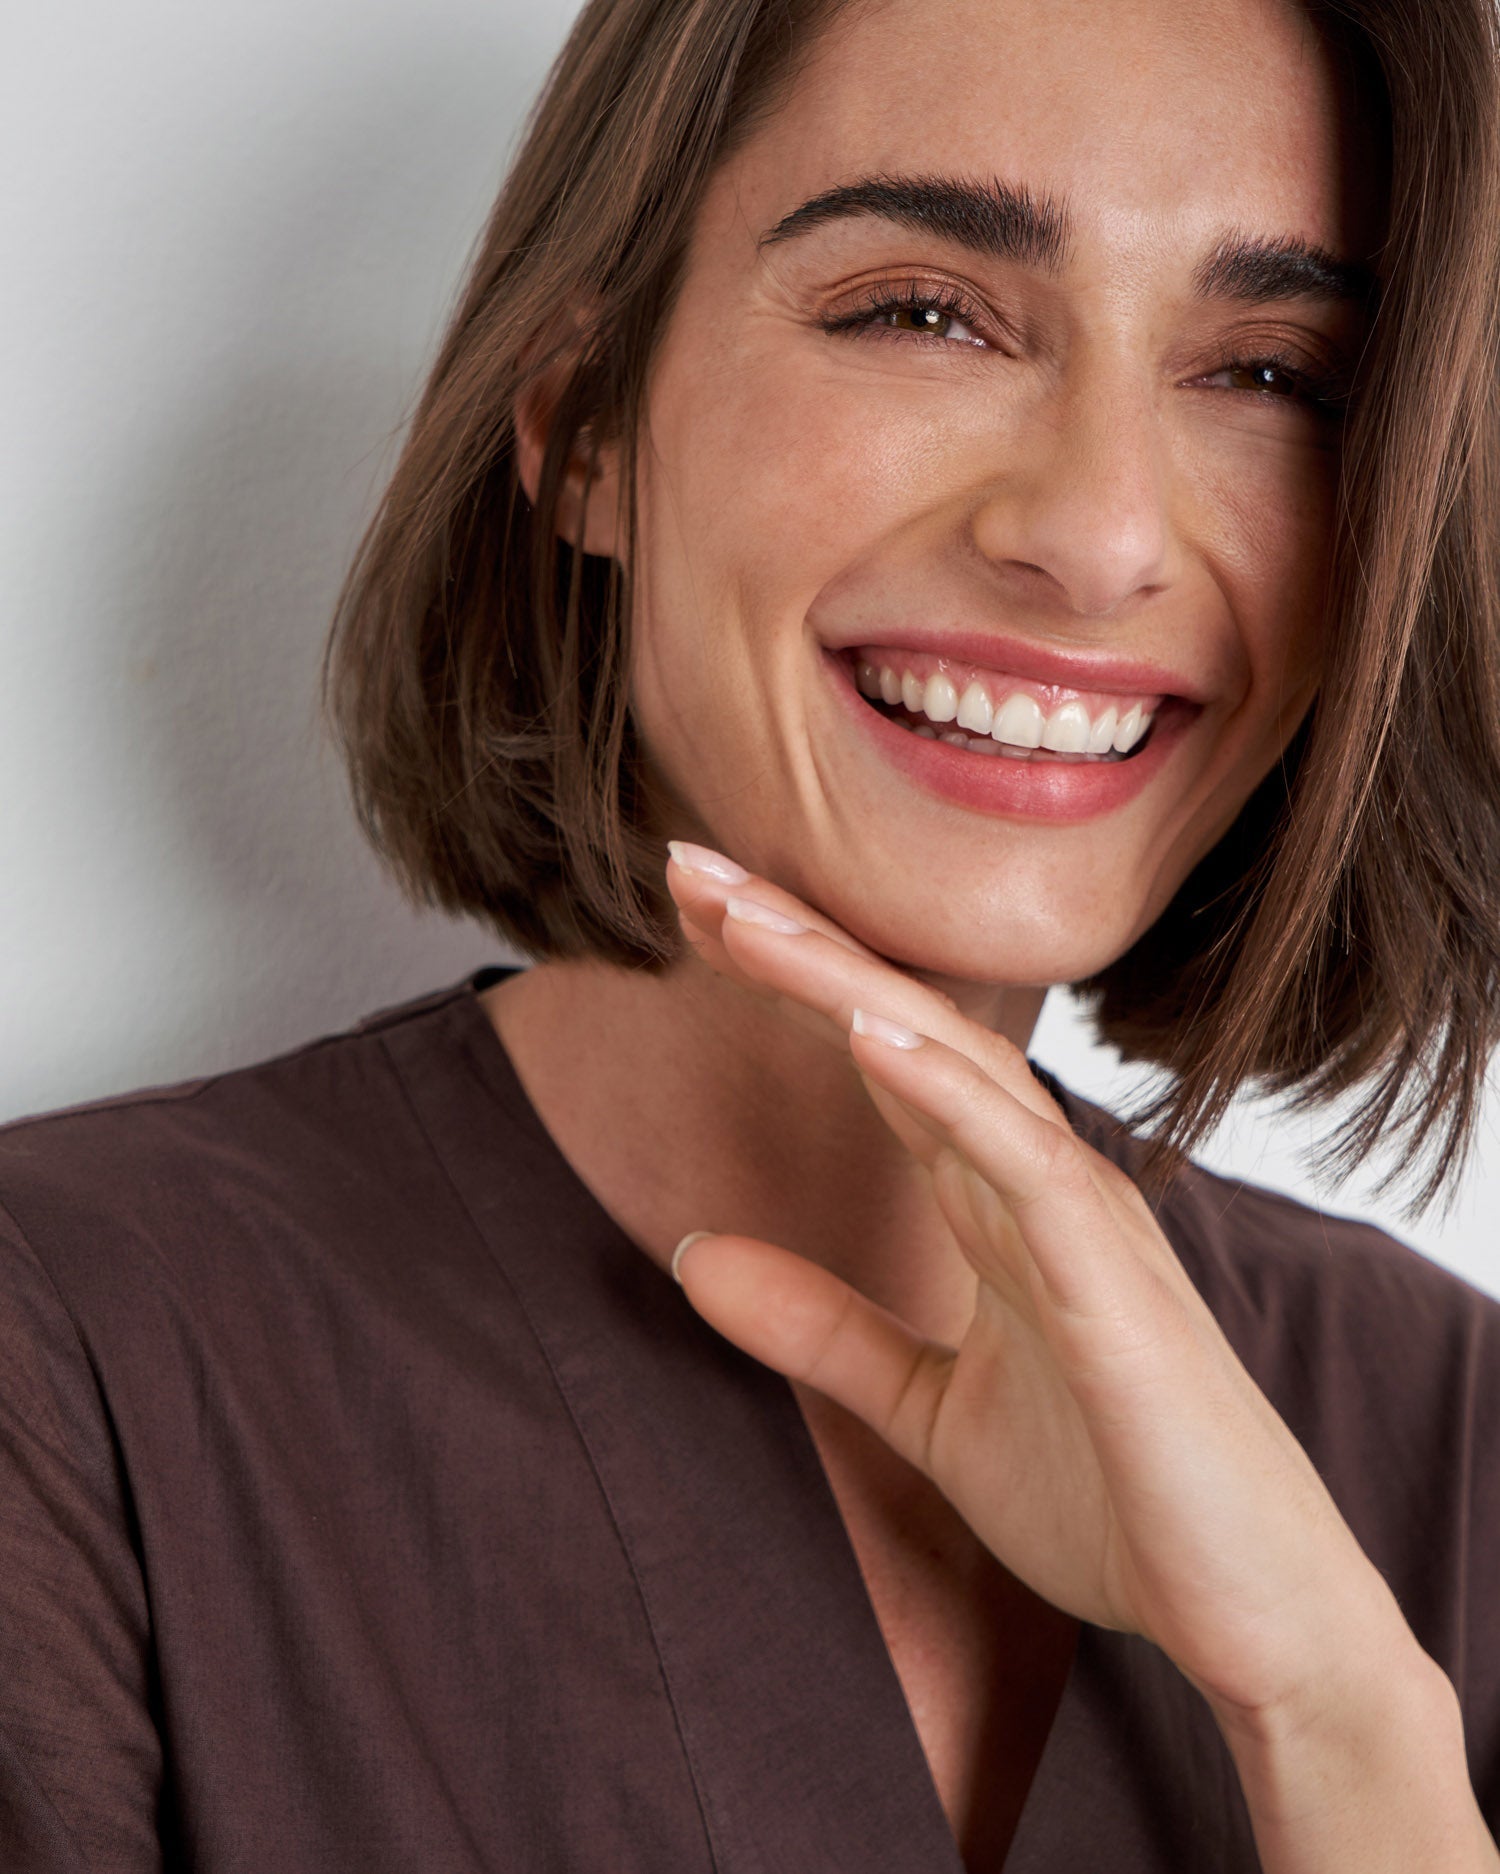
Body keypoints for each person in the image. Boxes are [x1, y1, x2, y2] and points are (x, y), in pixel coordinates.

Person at [3, 0, 1500, 1866]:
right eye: (924, 313)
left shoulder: (1455, 1448)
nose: (1103, 532)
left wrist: (1341, 1725)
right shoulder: (66, 1359)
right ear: (585, 423)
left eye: (1277, 372)